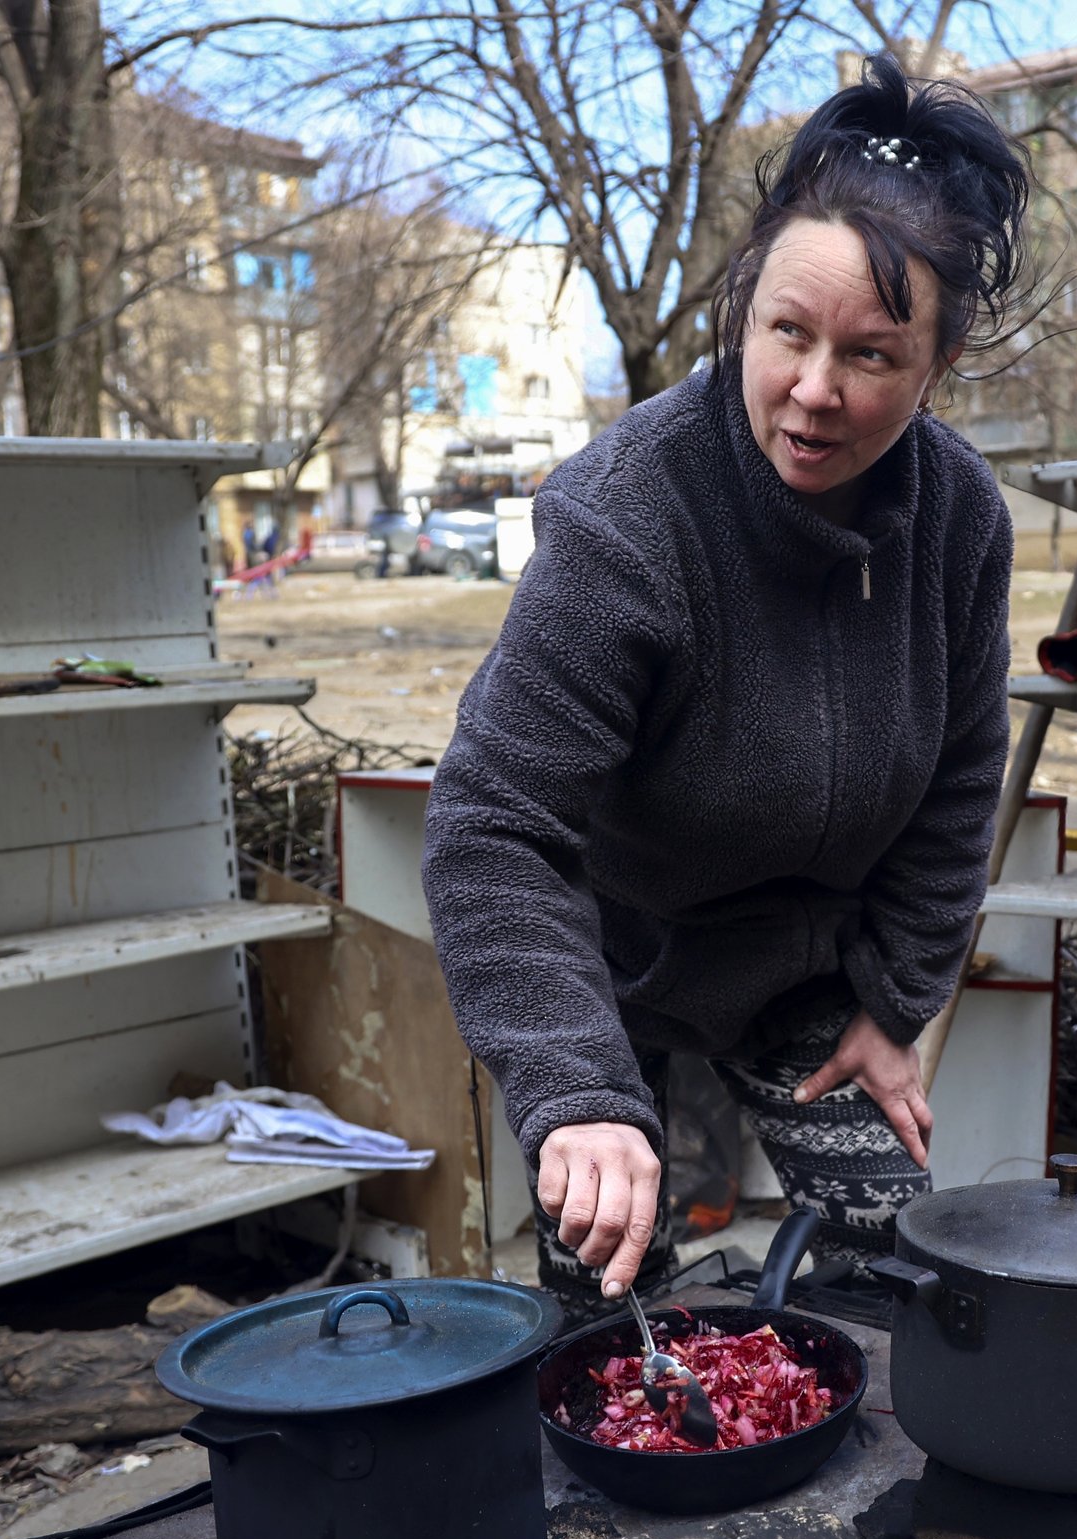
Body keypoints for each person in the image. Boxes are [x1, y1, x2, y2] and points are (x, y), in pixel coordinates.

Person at [422, 55, 1031, 1306]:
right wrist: (575, 1093)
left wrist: (896, 1001)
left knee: (884, 1248)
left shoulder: (959, 518)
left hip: (800, 957)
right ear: (744, 306)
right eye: (787, 334)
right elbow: (492, 828)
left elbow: (963, 780)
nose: (814, 391)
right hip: (607, 954)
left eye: (870, 355)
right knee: (607, 1290)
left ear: (937, 362)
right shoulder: (627, 516)